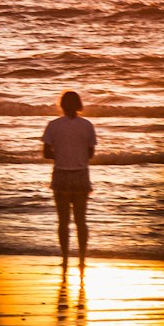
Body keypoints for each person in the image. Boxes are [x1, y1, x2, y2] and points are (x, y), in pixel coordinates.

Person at [42, 91, 97, 272]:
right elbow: (90, 154)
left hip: (61, 175)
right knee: (81, 221)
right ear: (79, 105)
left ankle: (65, 258)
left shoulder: (53, 125)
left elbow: (46, 153)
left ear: (62, 105)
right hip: (81, 175)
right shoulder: (87, 125)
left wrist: (61, 154)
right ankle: (82, 258)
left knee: (63, 222)